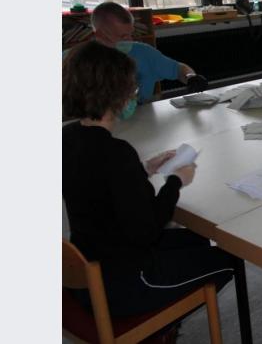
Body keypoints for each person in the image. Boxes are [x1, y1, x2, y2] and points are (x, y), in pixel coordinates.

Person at [62, 42, 233, 325]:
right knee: (228, 260)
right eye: (133, 87)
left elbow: (98, 186)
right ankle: (157, 327)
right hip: (127, 283)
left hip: (89, 265)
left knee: (197, 240)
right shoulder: (117, 153)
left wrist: (143, 169)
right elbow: (148, 230)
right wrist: (175, 182)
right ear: (117, 94)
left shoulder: (67, 138)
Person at [90, 1, 208, 103]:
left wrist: (191, 77)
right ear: (100, 35)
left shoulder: (143, 53)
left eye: (131, 34)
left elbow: (178, 69)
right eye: (123, 36)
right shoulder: (86, 63)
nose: (130, 40)